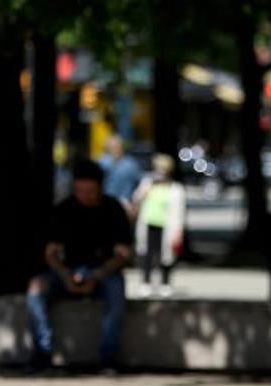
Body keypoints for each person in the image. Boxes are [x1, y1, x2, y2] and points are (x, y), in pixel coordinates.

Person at [27, 160, 132, 371]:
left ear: (100, 188)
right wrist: (65, 275)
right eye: (80, 191)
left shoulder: (113, 209)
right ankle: (43, 351)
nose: (85, 196)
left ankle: (107, 357)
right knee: (36, 289)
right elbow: (51, 253)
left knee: (116, 295)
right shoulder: (64, 210)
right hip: (68, 270)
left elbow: (123, 254)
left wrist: (98, 275)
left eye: (90, 191)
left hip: (104, 271)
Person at [132, 153, 186, 298]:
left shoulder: (176, 189)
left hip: (167, 227)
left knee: (166, 256)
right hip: (149, 225)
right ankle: (146, 283)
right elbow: (136, 199)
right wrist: (145, 192)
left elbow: (180, 213)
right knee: (146, 255)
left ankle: (165, 284)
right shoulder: (147, 183)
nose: (160, 172)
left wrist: (178, 232)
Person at [98, 135, 142, 207]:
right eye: (112, 147)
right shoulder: (102, 163)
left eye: (117, 146)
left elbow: (138, 183)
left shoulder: (131, 164)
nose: (115, 149)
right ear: (107, 148)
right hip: (105, 203)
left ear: (122, 147)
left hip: (125, 204)